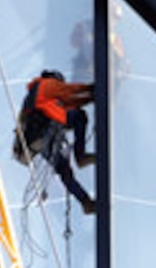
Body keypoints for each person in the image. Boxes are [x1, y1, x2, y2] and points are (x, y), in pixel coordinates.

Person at [13, 70, 98, 214]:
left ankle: (86, 202)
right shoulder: (47, 84)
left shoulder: (34, 96)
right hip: (46, 128)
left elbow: (70, 102)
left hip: (38, 141)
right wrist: (91, 89)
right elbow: (69, 91)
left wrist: (89, 98)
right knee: (80, 117)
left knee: (64, 170)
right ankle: (81, 156)